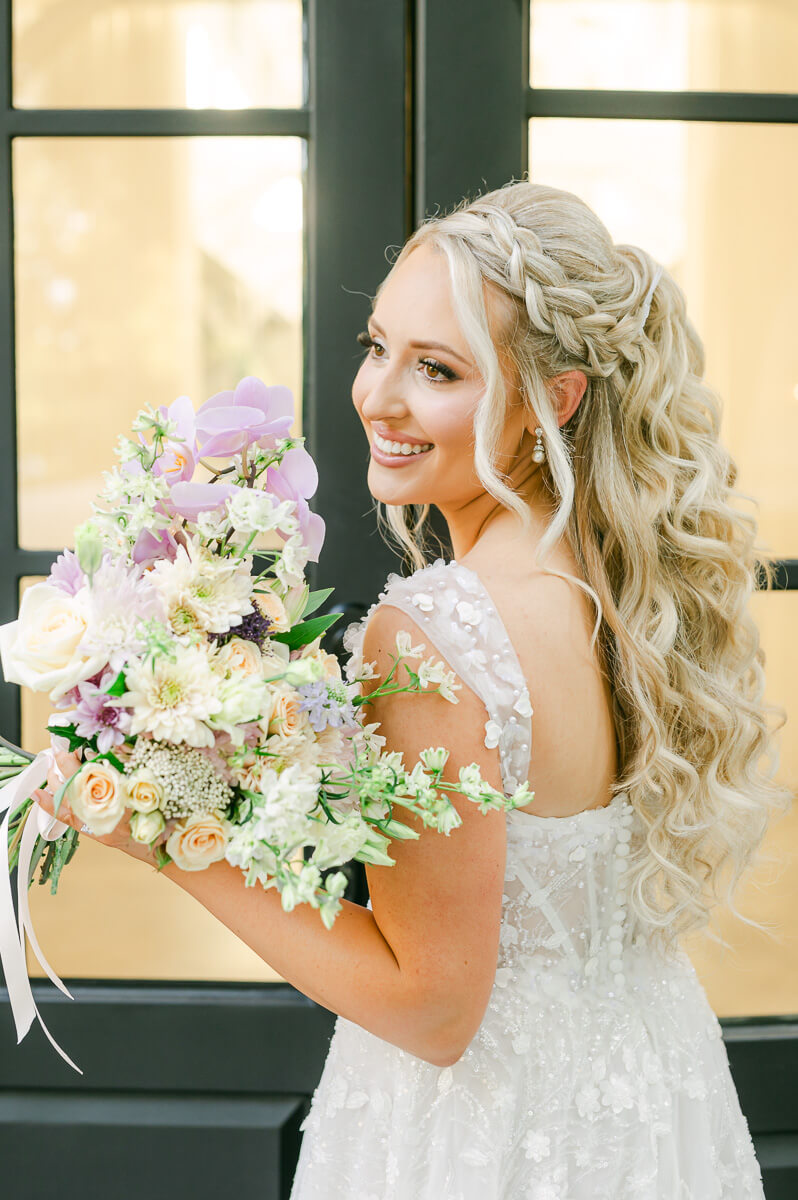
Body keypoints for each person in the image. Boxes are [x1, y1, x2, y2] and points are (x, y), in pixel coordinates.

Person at [35, 180, 789, 1198]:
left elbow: (432, 1010)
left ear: (552, 399)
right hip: (649, 1101)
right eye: (377, 344)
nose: (379, 397)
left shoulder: (436, 633)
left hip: (483, 1134)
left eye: (436, 369)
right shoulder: (624, 587)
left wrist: (165, 838)